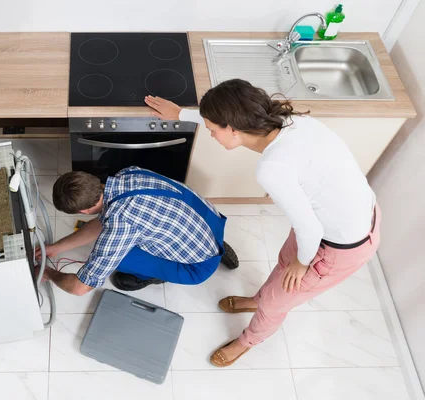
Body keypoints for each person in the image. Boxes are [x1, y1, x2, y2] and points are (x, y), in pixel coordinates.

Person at [145, 79, 380, 367]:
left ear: (233, 128)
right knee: (285, 262)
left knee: (278, 302)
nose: (211, 135)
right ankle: (257, 298)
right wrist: (181, 113)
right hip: (346, 216)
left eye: (211, 130)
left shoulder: (273, 168)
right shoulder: (291, 121)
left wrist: (304, 262)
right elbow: (307, 225)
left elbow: (310, 230)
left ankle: (247, 341)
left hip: (339, 246)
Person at [36, 166, 239, 295]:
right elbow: (104, 222)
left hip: (196, 267)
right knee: (117, 238)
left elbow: (80, 287)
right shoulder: (127, 173)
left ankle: (154, 275)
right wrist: (55, 248)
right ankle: (215, 247)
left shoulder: (120, 224)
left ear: (83, 210)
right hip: (208, 224)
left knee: (121, 266)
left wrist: (48, 273)